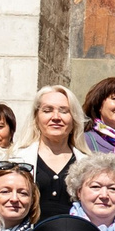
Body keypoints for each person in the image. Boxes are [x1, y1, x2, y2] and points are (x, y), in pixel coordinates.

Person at [28, 86, 88, 221]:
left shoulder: (88, 164)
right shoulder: (18, 159)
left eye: (64, 111)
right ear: (36, 117)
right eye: (47, 110)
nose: (56, 117)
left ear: (74, 119)